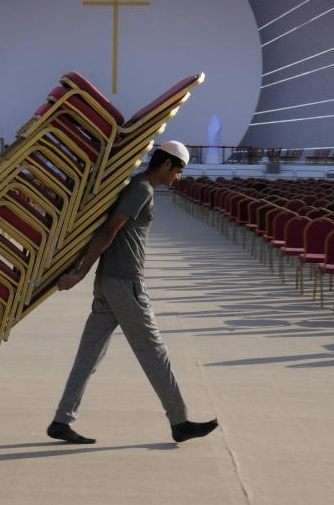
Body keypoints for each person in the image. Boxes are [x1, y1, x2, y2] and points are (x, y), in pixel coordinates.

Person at [46, 140, 219, 445]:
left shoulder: (137, 185)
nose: (178, 177)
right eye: (179, 170)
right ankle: (179, 420)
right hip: (125, 283)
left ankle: (62, 420)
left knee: (89, 354)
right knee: (154, 351)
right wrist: (79, 274)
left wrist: (88, 274)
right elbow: (108, 231)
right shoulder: (142, 189)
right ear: (166, 164)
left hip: (110, 282)